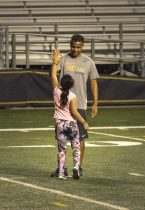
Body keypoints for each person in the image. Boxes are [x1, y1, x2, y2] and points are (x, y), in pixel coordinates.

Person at [51, 34, 99, 177]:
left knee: (81, 138)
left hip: (80, 104)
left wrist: (95, 103)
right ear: (70, 45)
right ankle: (62, 167)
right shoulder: (63, 59)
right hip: (64, 104)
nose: (75, 49)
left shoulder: (88, 62)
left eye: (78, 47)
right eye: (73, 46)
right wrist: (54, 62)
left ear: (82, 46)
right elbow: (53, 75)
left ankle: (79, 167)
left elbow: (93, 83)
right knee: (62, 139)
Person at [50, 48, 89, 179]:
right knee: (76, 147)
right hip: (72, 125)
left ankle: (61, 172)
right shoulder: (72, 95)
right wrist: (83, 122)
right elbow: (74, 112)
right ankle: (76, 167)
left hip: (60, 124)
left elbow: (53, 75)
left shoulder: (56, 91)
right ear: (71, 85)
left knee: (61, 149)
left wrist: (55, 62)